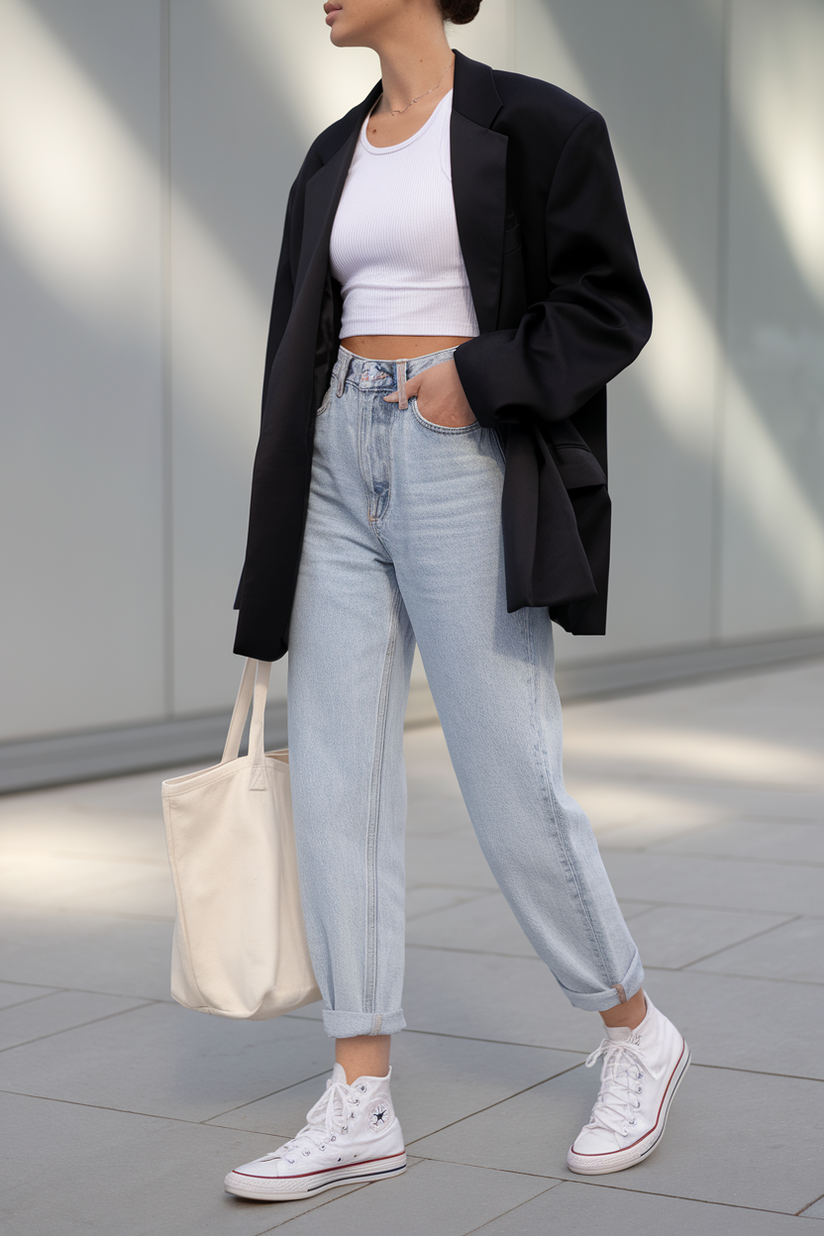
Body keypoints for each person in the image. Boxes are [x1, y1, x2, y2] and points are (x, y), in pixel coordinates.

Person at [224, 0, 689, 1203]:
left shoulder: (538, 126)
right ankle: (359, 1093)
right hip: (338, 462)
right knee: (334, 775)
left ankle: (633, 1028)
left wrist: (472, 381)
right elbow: (295, 341)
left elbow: (607, 308)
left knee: (505, 772)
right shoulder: (331, 154)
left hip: (461, 454)